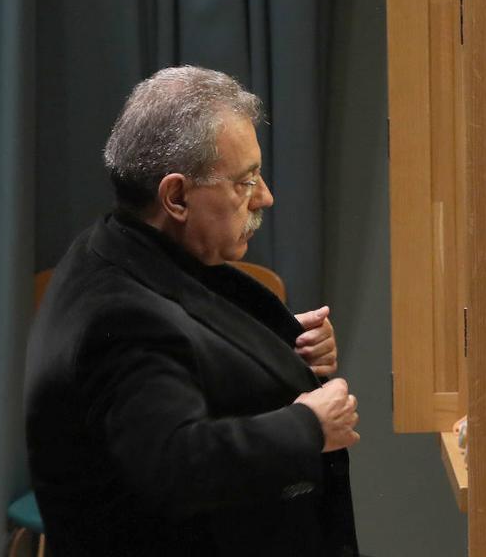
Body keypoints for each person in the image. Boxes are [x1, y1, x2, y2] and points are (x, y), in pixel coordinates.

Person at [25, 66, 360, 556]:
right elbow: (172, 464)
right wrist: (307, 426)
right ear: (177, 196)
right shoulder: (116, 314)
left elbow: (192, 352)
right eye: (245, 182)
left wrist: (285, 346)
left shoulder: (125, 249)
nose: (265, 196)